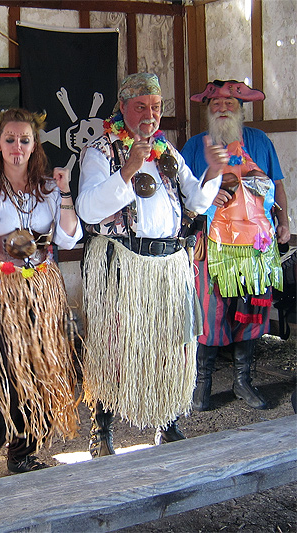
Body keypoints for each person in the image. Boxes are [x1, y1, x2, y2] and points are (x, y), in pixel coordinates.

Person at [76, 73, 227, 455]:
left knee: (169, 344)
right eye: (141, 106)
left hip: (168, 264)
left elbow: (197, 201)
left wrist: (213, 172)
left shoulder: (166, 150)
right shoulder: (100, 150)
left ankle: (167, 421)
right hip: (122, 264)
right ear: (122, 107)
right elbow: (87, 209)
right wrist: (128, 169)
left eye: (156, 107)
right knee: (113, 345)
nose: (150, 115)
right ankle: (102, 427)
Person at [0, 108, 81, 485]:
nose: (17, 147)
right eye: (9, 139)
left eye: (25, 140)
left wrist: (65, 191)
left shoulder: (48, 188)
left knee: (38, 372)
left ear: (34, 145)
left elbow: (68, 236)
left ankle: (23, 454)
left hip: (39, 291)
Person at [181, 80, 289, 411]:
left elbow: (278, 184)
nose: (223, 108)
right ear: (208, 111)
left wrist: (285, 222)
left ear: (241, 109)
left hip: (257, 242)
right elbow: (181, 191)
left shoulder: (259, 141)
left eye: (230, 103)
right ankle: (202, 382)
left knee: (253, 311)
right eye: (216, 104)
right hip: (212, 242)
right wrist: (207, 196)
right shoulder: (195, 146)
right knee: (210, 313)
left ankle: (243, 381)